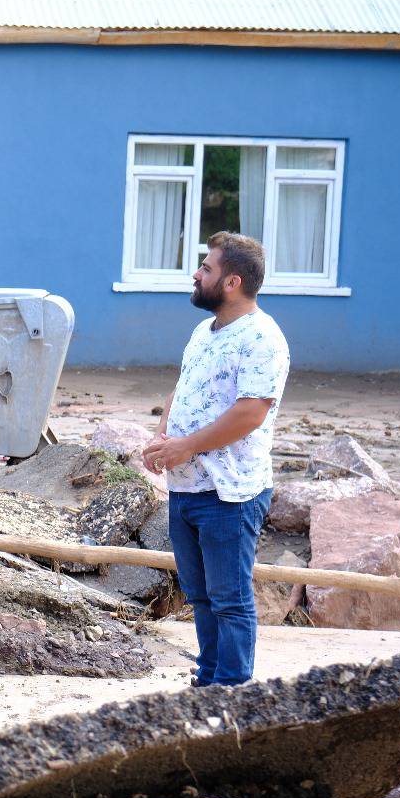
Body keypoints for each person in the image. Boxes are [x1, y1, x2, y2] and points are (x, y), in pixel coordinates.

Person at [143, 232, 289, 689]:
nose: (196, 274)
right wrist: (162, 438)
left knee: (229, 598)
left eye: (206, 268)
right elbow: (183, 387)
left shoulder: (263, 338)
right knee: (201, 596)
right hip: (186, 487)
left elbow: (251, 413)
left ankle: (231, 690)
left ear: (232, 282)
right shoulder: (203, 332)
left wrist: (186, 447)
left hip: (230, 492)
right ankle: (208, 681)